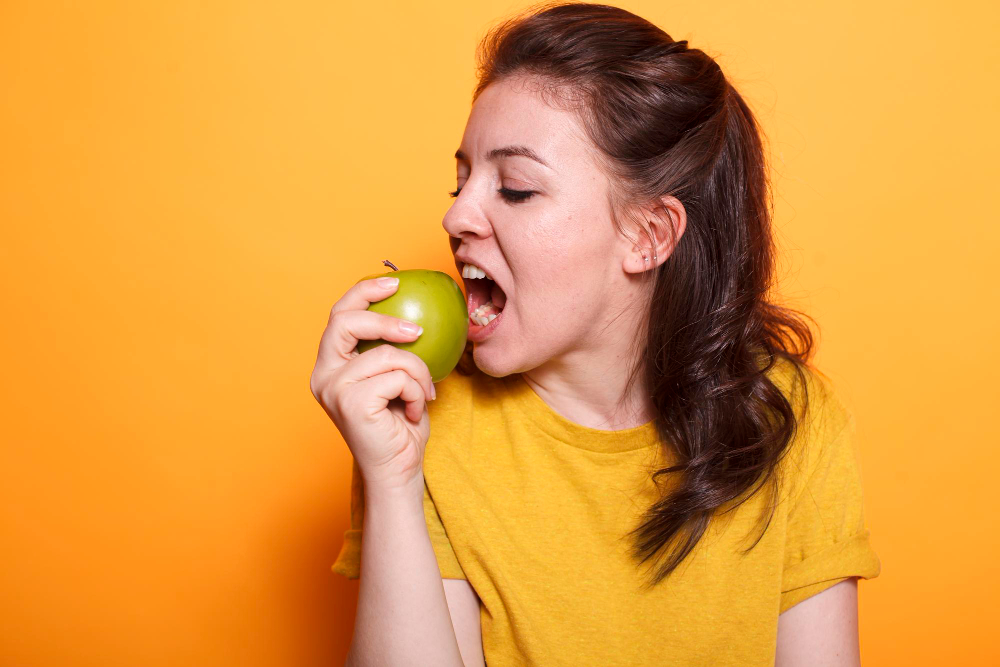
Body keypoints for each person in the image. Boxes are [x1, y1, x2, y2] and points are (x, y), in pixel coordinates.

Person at [309, 3, 880, 665]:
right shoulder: (426, 425)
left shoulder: (791, 420)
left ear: (647, 235)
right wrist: (391, 478)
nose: (456, 213)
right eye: (461, 179)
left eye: (515, 187)